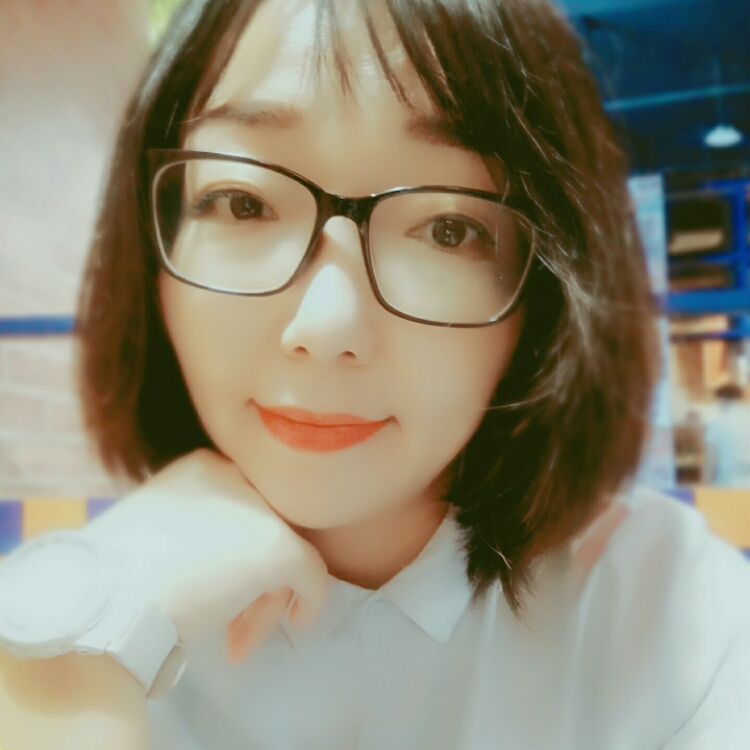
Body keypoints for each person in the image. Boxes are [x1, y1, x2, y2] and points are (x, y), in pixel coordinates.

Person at [1, 0, 749, 748]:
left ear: (545, 291)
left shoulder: (676, 622)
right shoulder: (64, 618)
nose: (327, 327)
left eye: (448, 228)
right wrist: (84, 651)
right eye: (243, 202)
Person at [703, 383, 750, 487]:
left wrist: (706, 486)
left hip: (727, 483)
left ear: (722, 399)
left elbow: (710, 460)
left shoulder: (717, 423)